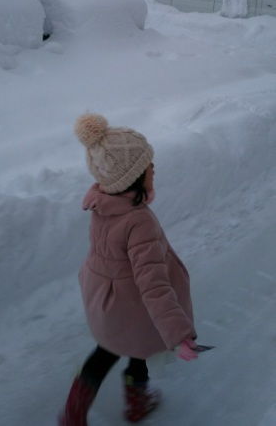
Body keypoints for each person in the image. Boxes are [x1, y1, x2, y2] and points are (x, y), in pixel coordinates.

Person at [59, 113, 198, 426]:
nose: (154, 168)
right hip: (134, 308)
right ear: (132, 176)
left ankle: (73, 411)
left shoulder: (102, 205)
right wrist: (179, 333)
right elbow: (154, 285)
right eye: (148, 165)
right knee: (138, 353)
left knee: (104, 353)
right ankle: (137, 403)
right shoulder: (139, 221)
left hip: (104, 302)